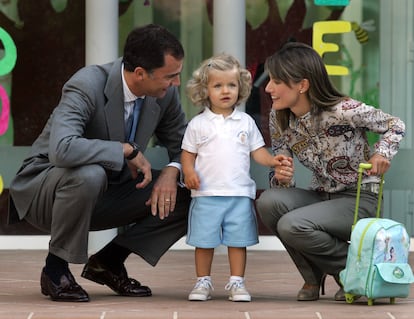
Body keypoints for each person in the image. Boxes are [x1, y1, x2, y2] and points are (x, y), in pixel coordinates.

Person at [8, 24, 191, 302]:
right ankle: (55, 270)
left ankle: (108, 262)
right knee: (90, 174)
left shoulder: (164, 96)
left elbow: (185, 146)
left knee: (187, 194)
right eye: (171, 76)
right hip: (47, 190)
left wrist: (171, 171)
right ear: (140, 73)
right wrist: (124, 150)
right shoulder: (87, 83)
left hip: (110, 191)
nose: (176, 83)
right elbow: (61, 148)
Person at [255, 42, 405, 302]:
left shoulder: (343, 110)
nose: (268, 88)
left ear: (302, 85)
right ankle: (313, 278)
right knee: (269, 202)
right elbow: (281, 167)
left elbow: (395, 125)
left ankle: (354, 272)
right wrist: (281, 177)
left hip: (358, 199)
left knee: (293, 225)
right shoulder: (279, 117)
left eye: (276, 81)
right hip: (320, 195)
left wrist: (381, 153)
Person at [181, 54, 280, 302]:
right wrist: (189, 172)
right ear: (205, 90)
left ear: (241, 88)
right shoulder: (198, 124)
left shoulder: (245, 122)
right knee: (204, 242)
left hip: (238, 194)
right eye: (217, 86)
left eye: (231, 85)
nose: (226, 91)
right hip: (206, 194)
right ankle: (202, 281)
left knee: (238, 242)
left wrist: (272, 161)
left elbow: (257, 152)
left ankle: (237, 282)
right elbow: (187, 154)